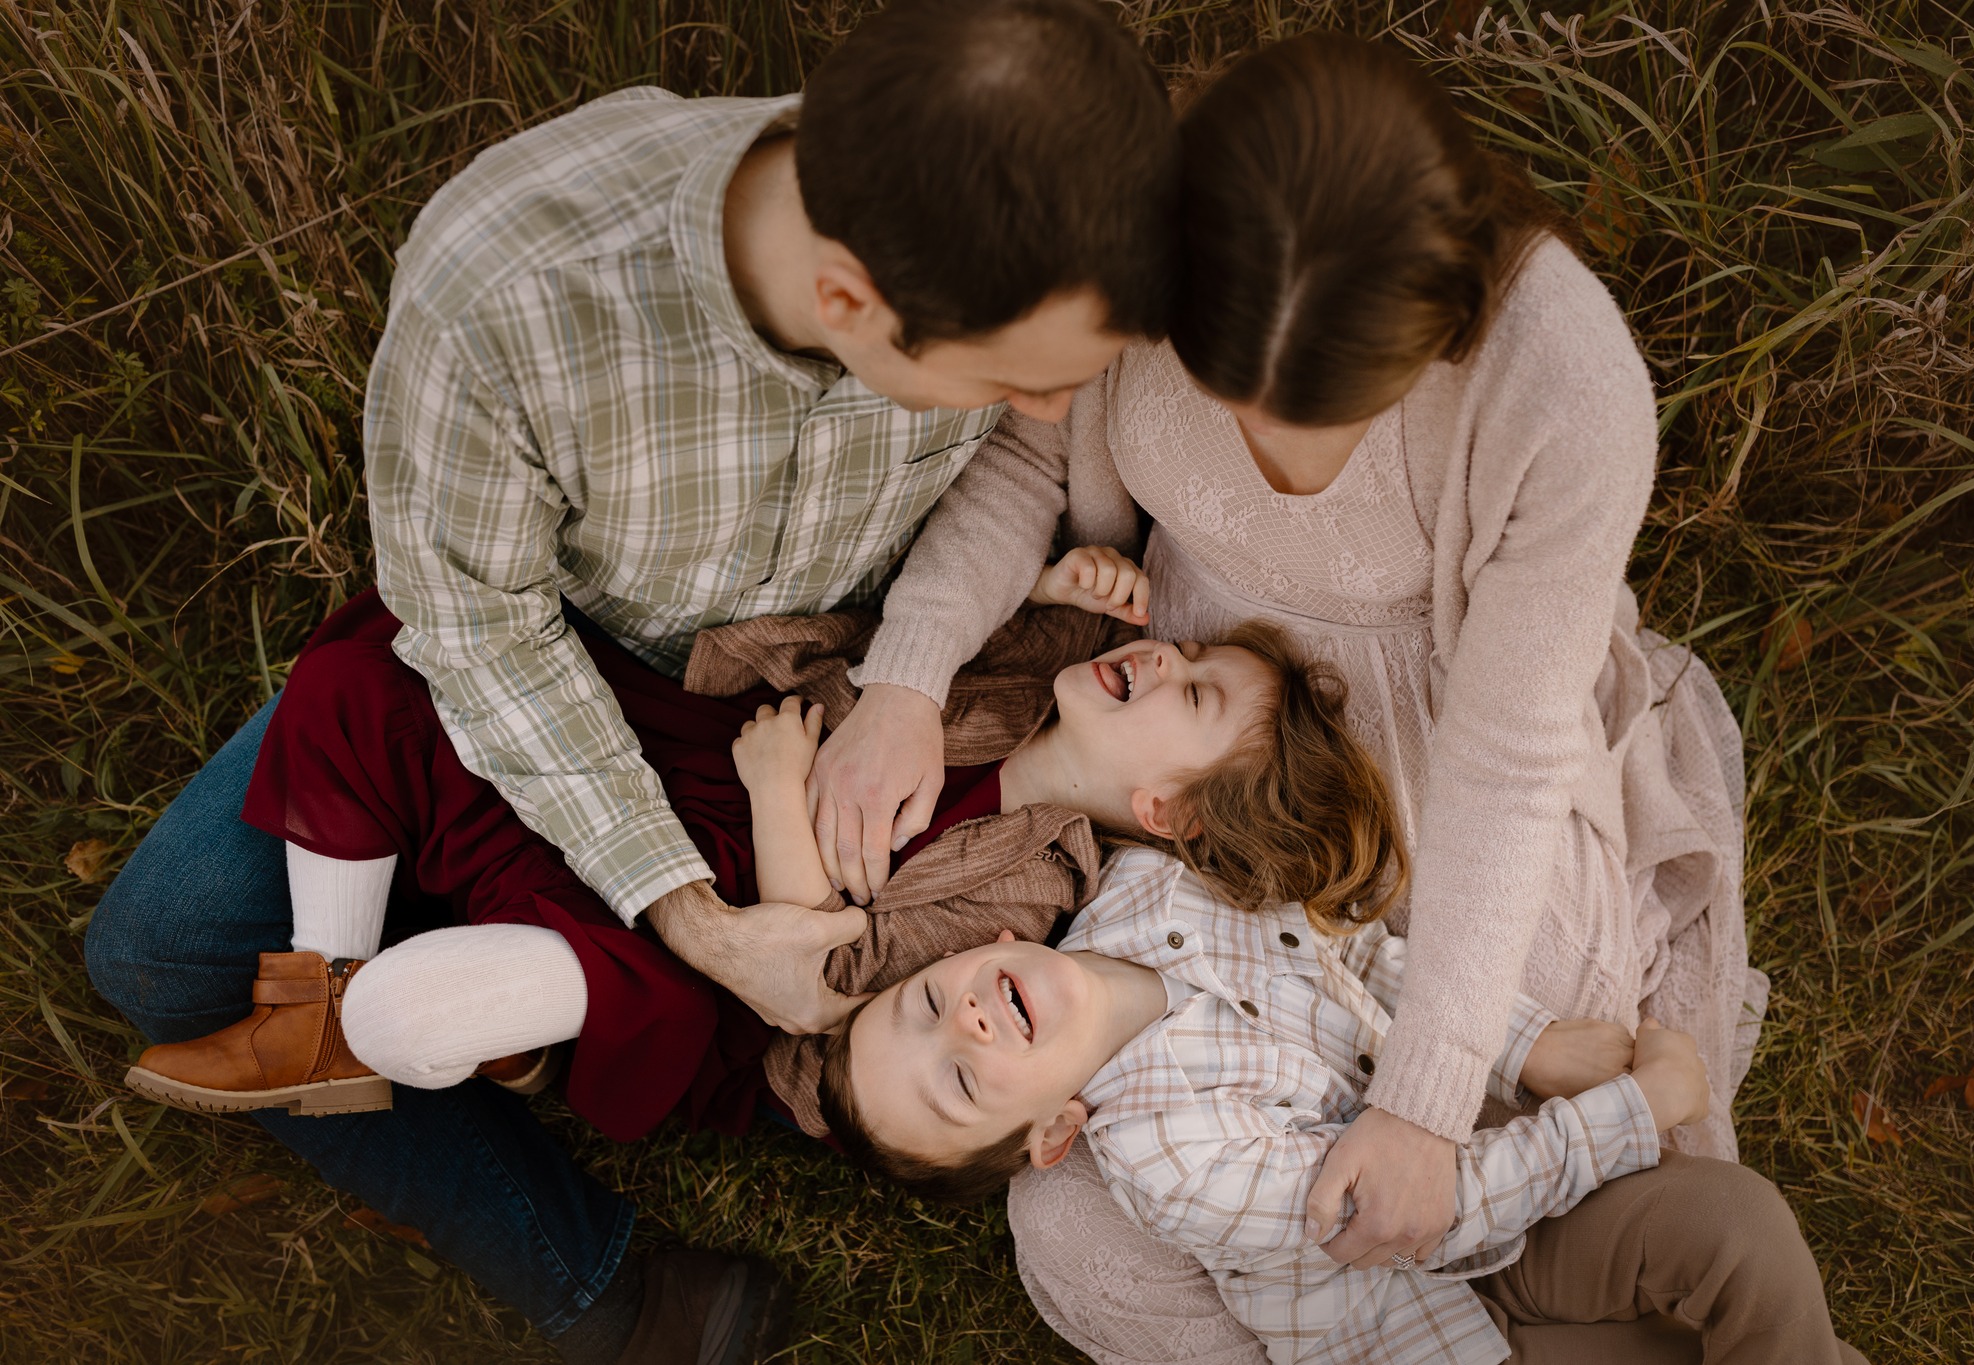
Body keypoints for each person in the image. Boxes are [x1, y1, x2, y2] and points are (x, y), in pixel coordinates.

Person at [84, 1, 1177, 1360]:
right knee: (160, 948)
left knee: (315, 947)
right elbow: (478, 633)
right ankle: (561, 1211)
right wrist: (692, 917)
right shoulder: (513, 299)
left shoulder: (1002, 248)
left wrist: (903, 680)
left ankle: (528, 1117)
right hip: (561, 666)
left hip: (818, 689)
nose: (1060, 417)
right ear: (845, 302)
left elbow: (1020, 463)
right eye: (1016, 381)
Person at [809, 33, 1768, 1358]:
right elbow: (1028, 465)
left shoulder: (1563, 390)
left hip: (1454, 759)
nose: (1264, 454)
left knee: (1509, 1034)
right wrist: (906, 681)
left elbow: (1504, 757)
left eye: (1315, 416)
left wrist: (1427, 1105)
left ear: (1437, 336)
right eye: (1221, 390)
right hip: (1212, 729)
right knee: (1082, 1223)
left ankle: (1523, 1283)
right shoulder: (1135, 239)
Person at [123, 554, 1396, 1157]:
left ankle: (496, 1008)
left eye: (1190, 698)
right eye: (1191, 652)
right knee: (381, 669)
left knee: (647, 976)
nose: (1165, 657)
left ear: (1163, 812)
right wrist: (1079, 565)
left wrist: (781, 792)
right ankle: (322, 1000)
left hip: (744, 882)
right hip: (695, 760)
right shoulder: (1041, 662)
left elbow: (824, 972)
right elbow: (973, 589)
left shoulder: (1034, 878)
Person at [818, 847, 1865, 1365]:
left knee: (1736, 1229)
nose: (966, 1026)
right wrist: (1634, 1110)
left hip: (1505, 1170)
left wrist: (1526, 1043)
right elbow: (1417, 1213)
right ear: (1051, 1134)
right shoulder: (1162, 1161)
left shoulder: (1150, 884)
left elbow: (1362, 953)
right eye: (959, 1082)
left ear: (988, 945)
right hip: (1436, 1316)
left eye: (924, 1005)